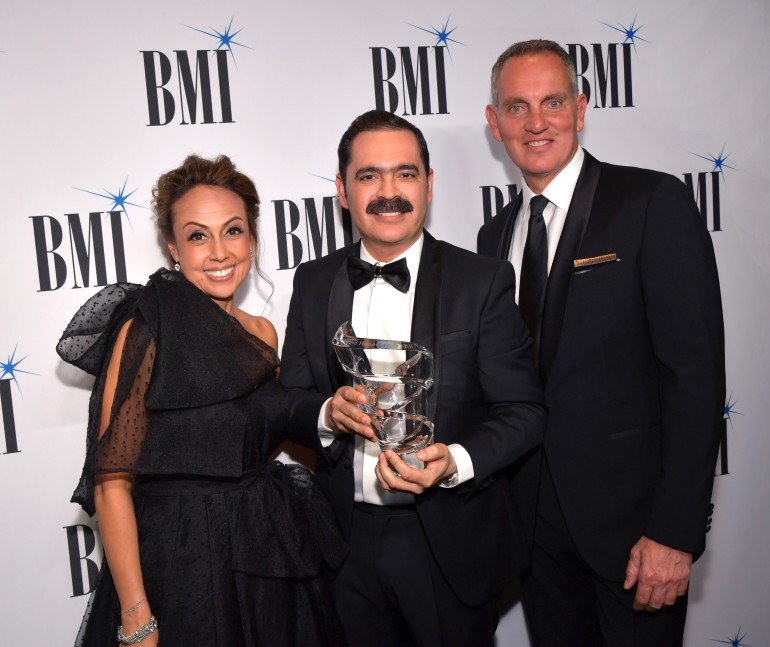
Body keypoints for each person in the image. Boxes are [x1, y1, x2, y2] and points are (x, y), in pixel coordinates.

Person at [478, 39, 725, 646]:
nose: (536, 122)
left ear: (582, 108)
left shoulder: (650, 202)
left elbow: (694, 377)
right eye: (516, 107)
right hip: (535, 538)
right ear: (494, 123)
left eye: (552, 102)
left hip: (638, 537)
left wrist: (676, 530)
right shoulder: (492, 237)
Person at [279, 109, 546, 647]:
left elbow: (524, 412)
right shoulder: (312, 282)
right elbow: (284, 401)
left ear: (429, 184)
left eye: (404, 174)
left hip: (448, 544)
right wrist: (326, 414)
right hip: (343, 548)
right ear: (342, 190)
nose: (388, 192)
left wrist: (456, 461)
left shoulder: (483, 280)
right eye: (368, 175)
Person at [57, 155, 347, 647]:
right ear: (173, 247)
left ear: (252, 239)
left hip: (266, 554)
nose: (218, 252)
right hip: (180, 562)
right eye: (197, 235)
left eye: (232, 231)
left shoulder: (264, 332)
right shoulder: (148, 326)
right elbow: (111, 485)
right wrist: (136, 616)